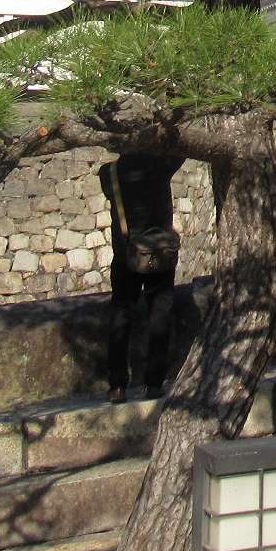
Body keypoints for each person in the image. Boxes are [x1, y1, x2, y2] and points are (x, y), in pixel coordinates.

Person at [99, 153, 183, 403]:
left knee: (121, 315)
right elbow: (181, 151)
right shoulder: (161, 164)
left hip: (126, 253)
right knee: (160, 314)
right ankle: (154, 382)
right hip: (161, 252)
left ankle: (117, 385)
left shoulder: (109, 172)